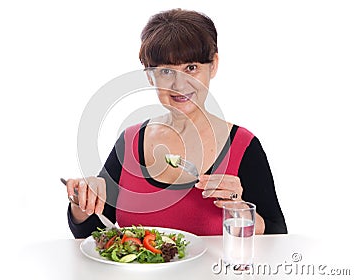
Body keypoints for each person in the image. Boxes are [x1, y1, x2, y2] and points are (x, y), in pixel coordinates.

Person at [65, 8, 287, 238]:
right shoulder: (130, 142)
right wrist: (82, 200)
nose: (180, 85)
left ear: (214, 66)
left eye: (191, 68)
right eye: (166, 71)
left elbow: (278, 235)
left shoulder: (243, 145)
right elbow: (93, 229)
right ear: (150, 76)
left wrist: (240, 210)